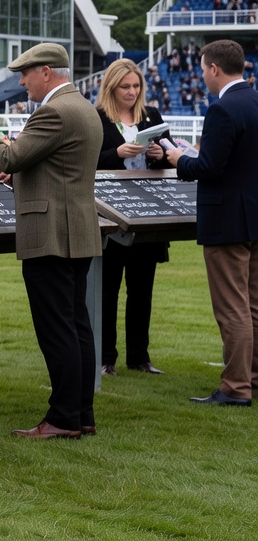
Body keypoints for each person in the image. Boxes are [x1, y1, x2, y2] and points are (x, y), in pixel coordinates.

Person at [0, 43, 103, 438]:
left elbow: (8, 158)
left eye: (25, 73)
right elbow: (54, 166)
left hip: (51, 233)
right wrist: (22, 172)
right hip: (76, 229)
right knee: (77, 326)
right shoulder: (83, 107)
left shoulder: (55, 111)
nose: (21, 82)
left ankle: (61, 418)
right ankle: (81, 414)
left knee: (57, 328)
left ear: (45, 72)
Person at [166, 39, 258, 407]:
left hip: (228, 221)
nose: (203, 76)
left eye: (204, 69)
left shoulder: (223, 109)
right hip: (253, 219)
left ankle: (235, 387)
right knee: (252, 305)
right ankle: (251, 377)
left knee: (232, 307)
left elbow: (208, 168)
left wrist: (178, 158)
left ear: (214, 69)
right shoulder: (253, 101)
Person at [94, 59, 169, 377]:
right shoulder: (96, 117)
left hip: (147, 213)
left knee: (142, 289)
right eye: (125, 86)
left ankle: (139, 357)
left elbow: (168, 153)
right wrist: (116, 155)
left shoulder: (151, 114)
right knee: (107, 289)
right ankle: (105, 357)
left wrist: (160, 155)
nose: (132, 91)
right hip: (111, 215)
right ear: (111, 87)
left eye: (136, 86)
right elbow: (88, 160)